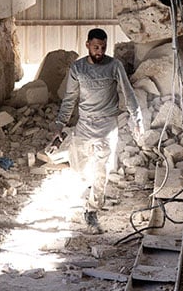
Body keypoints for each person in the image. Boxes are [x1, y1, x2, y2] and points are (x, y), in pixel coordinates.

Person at [52, 28, 143, 232]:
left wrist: (137, 118)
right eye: (95, 47)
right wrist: (60, 125)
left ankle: (92, 211)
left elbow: (128, 93)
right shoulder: (78, 68)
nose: (99, 51)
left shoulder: (114, 66)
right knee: (80, 169)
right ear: (87, 45)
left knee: (101, 170)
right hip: (84, 125)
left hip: (107, 126)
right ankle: (85, 193)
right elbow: (69, 99)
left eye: (102, 47)